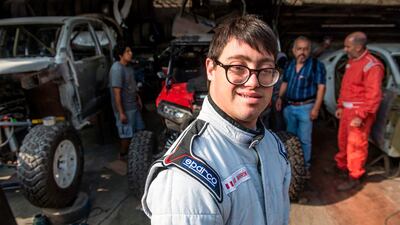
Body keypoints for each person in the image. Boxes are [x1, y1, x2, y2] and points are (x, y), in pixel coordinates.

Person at [142, 15, 291, 225]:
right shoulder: (187, 179)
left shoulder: (273, 147)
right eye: (238, 67)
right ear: (211, 69)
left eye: (265, 70)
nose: (253, 82)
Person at [334, 32, 384, 191]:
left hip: (359, 113)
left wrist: (361, 116)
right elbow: (346, 87)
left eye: (347, 46)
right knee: (343, 141)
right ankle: (342, 167)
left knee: (356, 146)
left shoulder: (372, 65)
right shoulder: (352, 62)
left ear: (358, 46)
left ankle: (354, 176)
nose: (345, 49)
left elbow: (374, 95)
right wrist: (341, 106)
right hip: (347, 111)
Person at [276, 36, 326, 176]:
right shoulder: (290, 65)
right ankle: (292, 167)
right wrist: (279, 97)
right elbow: (285, 82)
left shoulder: (316, 65)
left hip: (306, 107)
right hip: (289, 107)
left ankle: (304, 168)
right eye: (299, 49)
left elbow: (321, 88)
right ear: (293, 50)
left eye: (305, 49)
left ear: (310, 50)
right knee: (291, 138)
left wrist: (316, 108)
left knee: (304, 139)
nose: (302, 52)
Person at [109, 42, 145, 160]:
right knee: (126, 135)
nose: (131, 53)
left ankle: (135, 155)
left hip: (133, 105)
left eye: (130, 51)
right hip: (125, 108)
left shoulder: (128, 67)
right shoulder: (117, 69)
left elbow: (132, 86)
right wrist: (121, 113)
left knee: (139, 130)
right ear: (120, 55)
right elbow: (116, 93)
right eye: (127, 51)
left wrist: (138, 98)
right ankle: (123, 155)